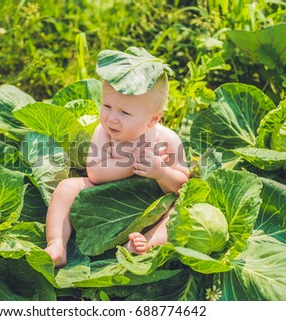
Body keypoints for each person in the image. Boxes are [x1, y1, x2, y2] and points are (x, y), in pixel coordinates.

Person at [45, 52, 189, 268]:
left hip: (149, 207)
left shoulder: (167, 139)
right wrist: (133, 163)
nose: (111, 118)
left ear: (153, 120)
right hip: (105, 198)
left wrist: (161, 172)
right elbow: (95, 173)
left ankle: (146, 243)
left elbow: (181, 186)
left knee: (181, 211)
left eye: (124, 113)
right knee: (67, 187)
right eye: (107, 106)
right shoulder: (104, 133)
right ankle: (56, 244)